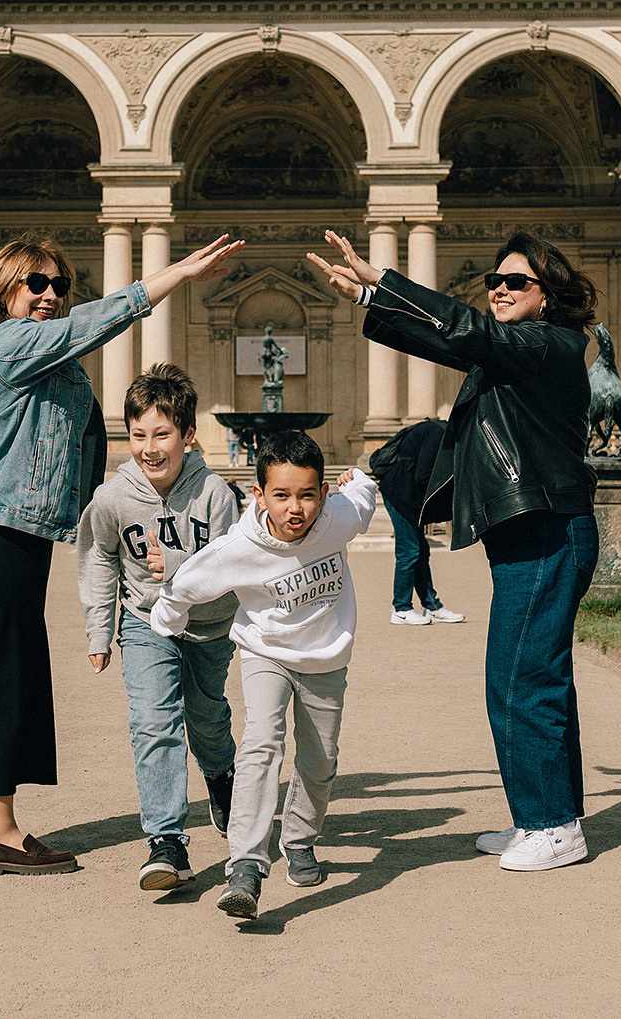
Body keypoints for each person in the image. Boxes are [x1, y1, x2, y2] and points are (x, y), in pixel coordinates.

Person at [0, 230, 243, 875]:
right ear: (2, 286)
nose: (49, 296)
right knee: (5, 670)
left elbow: (86, 442)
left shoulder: (48, 361)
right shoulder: (0, 345)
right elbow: (89, 328)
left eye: (59, 286)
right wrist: (167, 278)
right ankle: (0, 828)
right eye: (35, 284)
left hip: (14, 530)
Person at [308, 228, 599, 873]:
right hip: (531, 533)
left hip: (549, 531)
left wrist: (386, 281)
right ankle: (546, 815)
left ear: (546, 295)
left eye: (514, 281)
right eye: (493, 280)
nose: (498, 288)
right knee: (527, 676)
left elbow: (466, 332)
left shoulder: (553, 345)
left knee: (525, 678)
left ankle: (552, 826)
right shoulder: (516, 351)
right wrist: (367, 300)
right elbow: (448, 338)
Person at [148, 430, 379, 920]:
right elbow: (189, 580)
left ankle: (298, 840)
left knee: (320, 762)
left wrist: (359, 480)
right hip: (264, 653)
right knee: (260, 744)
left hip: (324, 660)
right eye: (282, 495)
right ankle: (246, 866)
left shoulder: (338, 518)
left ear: (322, 494)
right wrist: (167, 617)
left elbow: (362, 500)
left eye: (307, 495)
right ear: (259, 495)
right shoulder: (240, 546)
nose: (295, 508)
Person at [77, 363, 242, 892]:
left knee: (208, 718)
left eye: (162, 434)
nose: (149, 447)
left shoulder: (216, 494)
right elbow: (99, 558)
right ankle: (166, 839)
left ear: (188, 436)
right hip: (146, 622)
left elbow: (232, 566)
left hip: (210, 627)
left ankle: (220, 777)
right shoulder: (112, 497)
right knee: (153, 721)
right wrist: (100, 629)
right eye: (138, 434)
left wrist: (179, 567)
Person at [367, 419, 463, 625]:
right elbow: (423, 475)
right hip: (399, 495)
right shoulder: (438, 434)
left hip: (407, 496)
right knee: (409, 551)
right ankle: (401, 608)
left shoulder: (441, 431)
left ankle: (431, 606)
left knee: (420, 550)